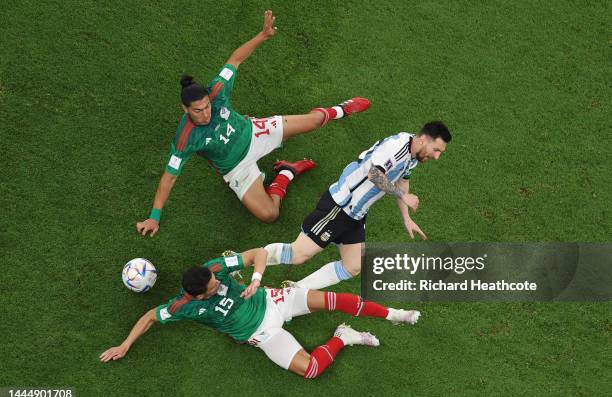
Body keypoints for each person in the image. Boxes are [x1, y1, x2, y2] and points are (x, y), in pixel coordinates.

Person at [136, 10, 370, 236]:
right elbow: (170, 177)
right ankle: (286, 173)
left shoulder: (217, 91)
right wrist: (154, 216)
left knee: (315, 121)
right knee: (269, 214)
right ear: (185, 109)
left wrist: (263, 35)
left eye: (207, 106)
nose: (206, 113)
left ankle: (343, 109)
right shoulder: (185, 139)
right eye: (198, 111)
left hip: (256, 132)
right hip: (237, 168)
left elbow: (235, 60)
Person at [100, 249, 420, 378]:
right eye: (212, 288)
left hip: (273, 300)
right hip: (263, 335)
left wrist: (255, 280)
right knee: (310, 370)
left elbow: (258, 254)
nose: (218, 285)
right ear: (197, 295)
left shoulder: (214, 269)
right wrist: (125, 345)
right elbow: (150, 317)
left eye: (216, 281)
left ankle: (395, 314)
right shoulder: (182, 307)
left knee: (337, 300)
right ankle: (344, 337)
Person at [264, 121, 452, 289]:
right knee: (297, 254)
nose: (437, 157)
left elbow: (402, 182)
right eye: (436, 150)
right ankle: (238, 260)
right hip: (340, 206)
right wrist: (402, 196)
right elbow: (374, 175)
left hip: (356, 214)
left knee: (353, 266)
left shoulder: (413, 155)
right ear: (423, 140)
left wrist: (407, 218)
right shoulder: (396, 147)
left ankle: (294, 290)